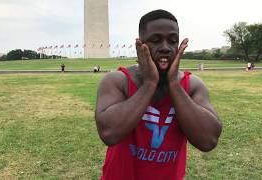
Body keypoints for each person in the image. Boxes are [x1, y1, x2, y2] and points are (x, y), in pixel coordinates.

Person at [95, 9, 222, 180]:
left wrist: (174, 85)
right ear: (140, 45)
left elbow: (208, 141)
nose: (165, 48)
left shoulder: (191, 85)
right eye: (155, 40)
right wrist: (149, 84)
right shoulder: (118, 80)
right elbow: (109, 134)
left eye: (172, 41)